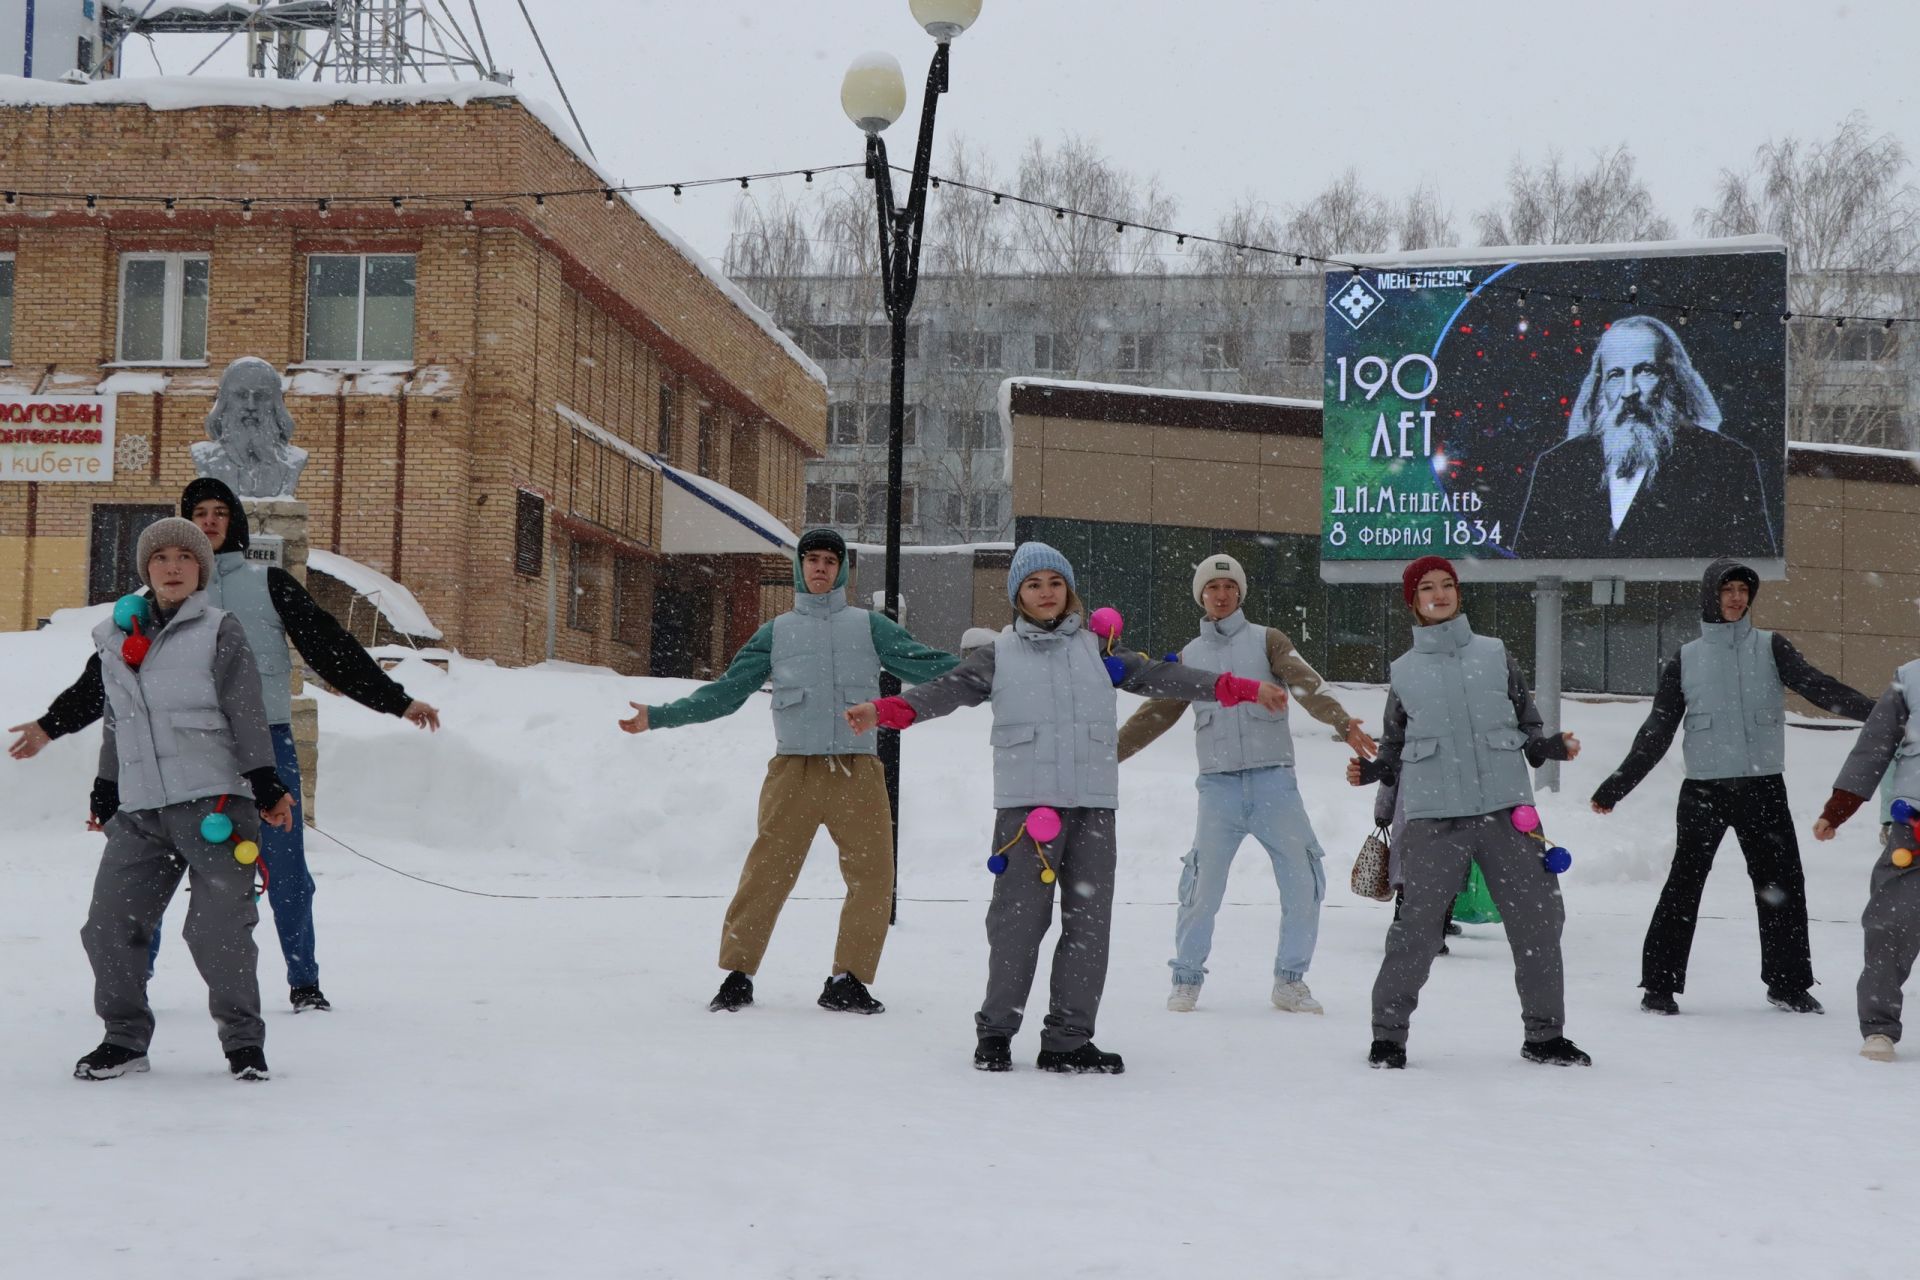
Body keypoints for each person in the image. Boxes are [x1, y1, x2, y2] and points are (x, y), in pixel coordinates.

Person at [846, 542, 1290, 1074]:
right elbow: (944, 693)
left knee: (1089, 928)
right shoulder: (998, 655)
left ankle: (1067, 1040)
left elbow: (1168, 679)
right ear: (1017, 595)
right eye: (1034, 585)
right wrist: (886, 709)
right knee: (1016, 925)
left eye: (1055, 583)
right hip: (1026, 814)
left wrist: (1239, 688)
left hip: (1092, 809)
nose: (1046, 593)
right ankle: (996, 1033)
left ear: (1069, 590)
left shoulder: (1098, 654)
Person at [9, 477, 440, 1012]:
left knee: (284, 868)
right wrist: (52, 725)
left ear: (233, 520)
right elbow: (106, 682)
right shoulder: (154, 600)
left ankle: (304, 982)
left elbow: (332, 648)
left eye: (219, 512)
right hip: (180, 754)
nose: (209, 521)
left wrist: (396, 700)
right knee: (154, 870)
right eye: (198, 512)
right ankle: (136, 980)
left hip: (266, 745)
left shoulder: (268, 584)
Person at [621, 528, 957, 1016]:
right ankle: (738, 975)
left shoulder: (871, 626)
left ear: (842, 569)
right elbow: (725, 693)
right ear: (800, 567)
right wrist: (662, 715)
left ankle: (848, 979)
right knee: (766, 875)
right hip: (792, 772)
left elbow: (932, 665)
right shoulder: (775, 632)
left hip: (856, 771)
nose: (820, 568)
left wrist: (999, 673)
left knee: (874, 877)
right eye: (812, 559)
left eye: (829, 560)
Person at [1591, 558, 1873, 1015]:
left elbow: (1818, 687)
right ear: (1711, 596)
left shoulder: (1770, 647)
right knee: (1684, 884)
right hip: (1705, 790)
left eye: (1743, 589)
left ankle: (1788, 984)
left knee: (1781, 883)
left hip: (1763, 787)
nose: (1736, 598)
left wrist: (1878, 713)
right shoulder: (1687, 658)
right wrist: (1615, 787)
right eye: (1727, 591)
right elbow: (1657, 731)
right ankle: (1659, 986)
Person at [73, 518, 295, 1082]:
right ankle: (123, 1039)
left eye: (184, 558)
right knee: (108, 927)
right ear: (146, 569)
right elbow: (117, 720)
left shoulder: (221, 629)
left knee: (218, 931)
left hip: (215, 806)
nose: (172, 567)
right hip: (141, 810)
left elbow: (245, 711)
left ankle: (243, 1043)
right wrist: (106, 784)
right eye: (161, 557)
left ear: (201, 569)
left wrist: (265, 782)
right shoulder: (116, 636)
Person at [1347, 554, 1587, 1069]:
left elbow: (1528, 725)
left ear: (1459, 593)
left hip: (1507, 810)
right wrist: (1373, 771)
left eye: (1448, 585)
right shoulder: (1405, 672)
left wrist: (1550, 747)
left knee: (1539, 920)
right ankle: (1388, 1036)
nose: (1440, 594)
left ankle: (1545, 1037)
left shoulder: (1496, 655)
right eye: (1427, 587)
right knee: (1417, 929)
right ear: (1413, 602)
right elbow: (1393, 745)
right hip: (1436, 817)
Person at [1117, 551, 1378, 1015]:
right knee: (1201, 887)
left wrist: (1340, 722)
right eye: (1213, 588)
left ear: (1240, 593)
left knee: (1304, 880)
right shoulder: (1190, 657)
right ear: (1201, 595)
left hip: (1274, 781)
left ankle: (1290, 982)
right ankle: (1186, 979)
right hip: (1218, 788)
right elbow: (1154, 714)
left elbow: (1306, 683)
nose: (1221, 595)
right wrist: (1106, 755)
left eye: (1229, 587)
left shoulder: (1267, 641)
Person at [1510, 315, 1776, 560]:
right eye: (1616, 375)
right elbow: (1524, 568)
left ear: (1671, 379)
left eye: (1644, 371)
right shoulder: (1558, 466)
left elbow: (1748, 569)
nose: (1629, 391)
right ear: (1601, 386)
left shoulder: (1726, 464)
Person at [1813, 661, 1920, 1062]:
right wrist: (1838, 809)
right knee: (1890, 922)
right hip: (1914, 827)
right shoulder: (1911, 678)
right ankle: (1879, 1028)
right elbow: (1875, 745)